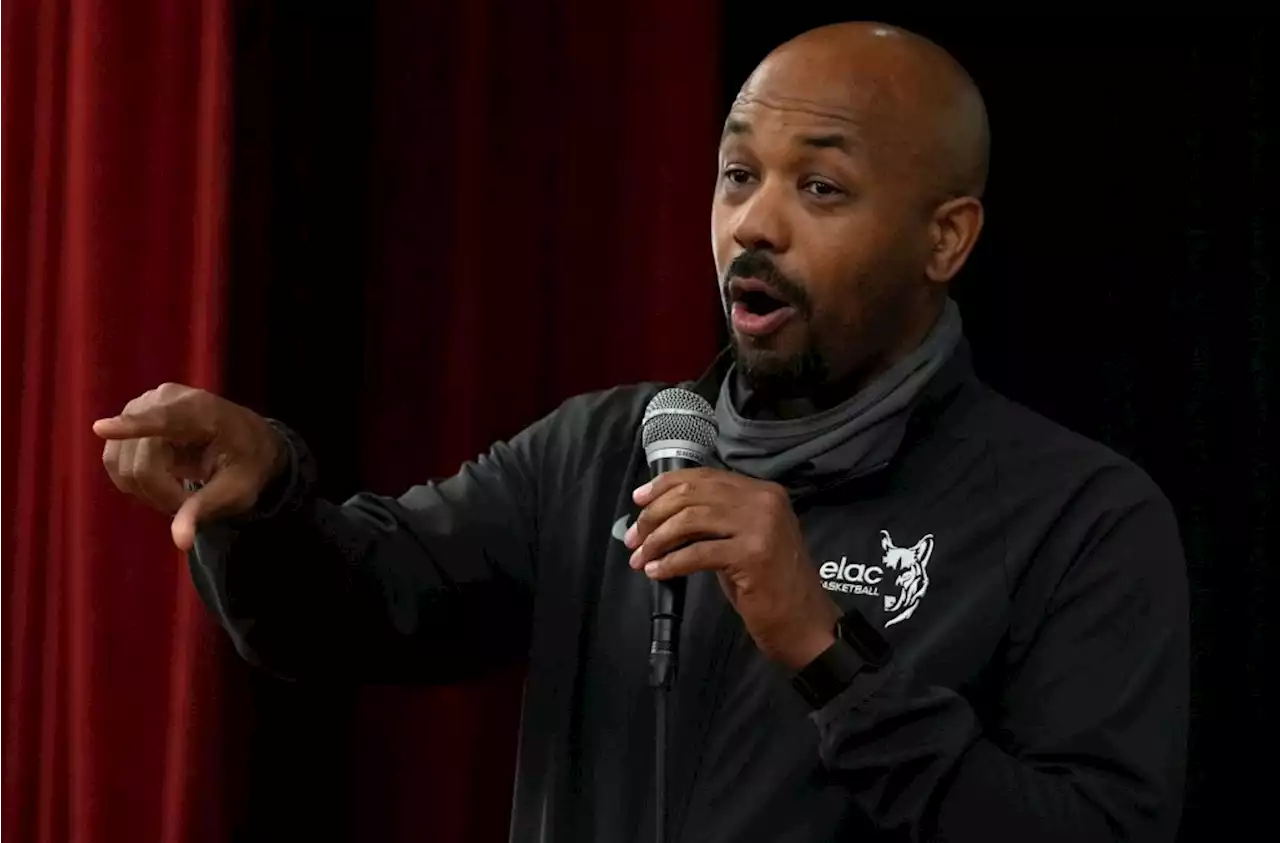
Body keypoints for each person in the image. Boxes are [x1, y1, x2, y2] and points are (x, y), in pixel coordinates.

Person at [94, 21, 1188, 843]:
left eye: (818, 185)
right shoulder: (604, 452)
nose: (752, 223)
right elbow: (355, 611)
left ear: (942, 239)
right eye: (735, 175)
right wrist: (266, 497)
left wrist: (827, 657)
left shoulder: (1075, 517)